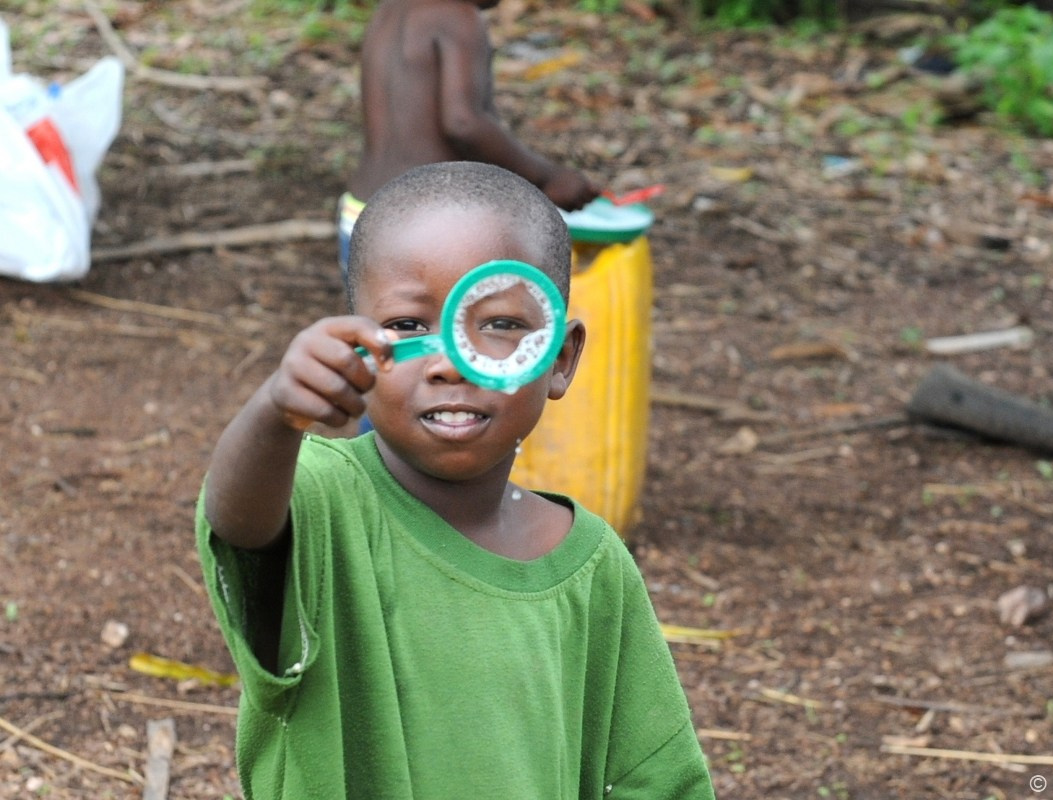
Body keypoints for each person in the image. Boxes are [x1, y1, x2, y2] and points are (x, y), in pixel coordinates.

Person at [197, 161, 714, 800]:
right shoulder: (322, 503)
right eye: (409, 327)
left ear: (559, 357)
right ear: (355, 344)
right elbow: (240, 523)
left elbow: (656, 778)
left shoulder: (593, 569)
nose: (448, 363)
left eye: (498, 324)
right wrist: (275, 412)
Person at [338, 0, 600, 273]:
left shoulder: (390, 10)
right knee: (453, 315)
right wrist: (547, 177)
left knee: (382, 316)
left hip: (363, 214)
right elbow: (464, 123)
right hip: (428, 222)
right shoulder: (457, 15)